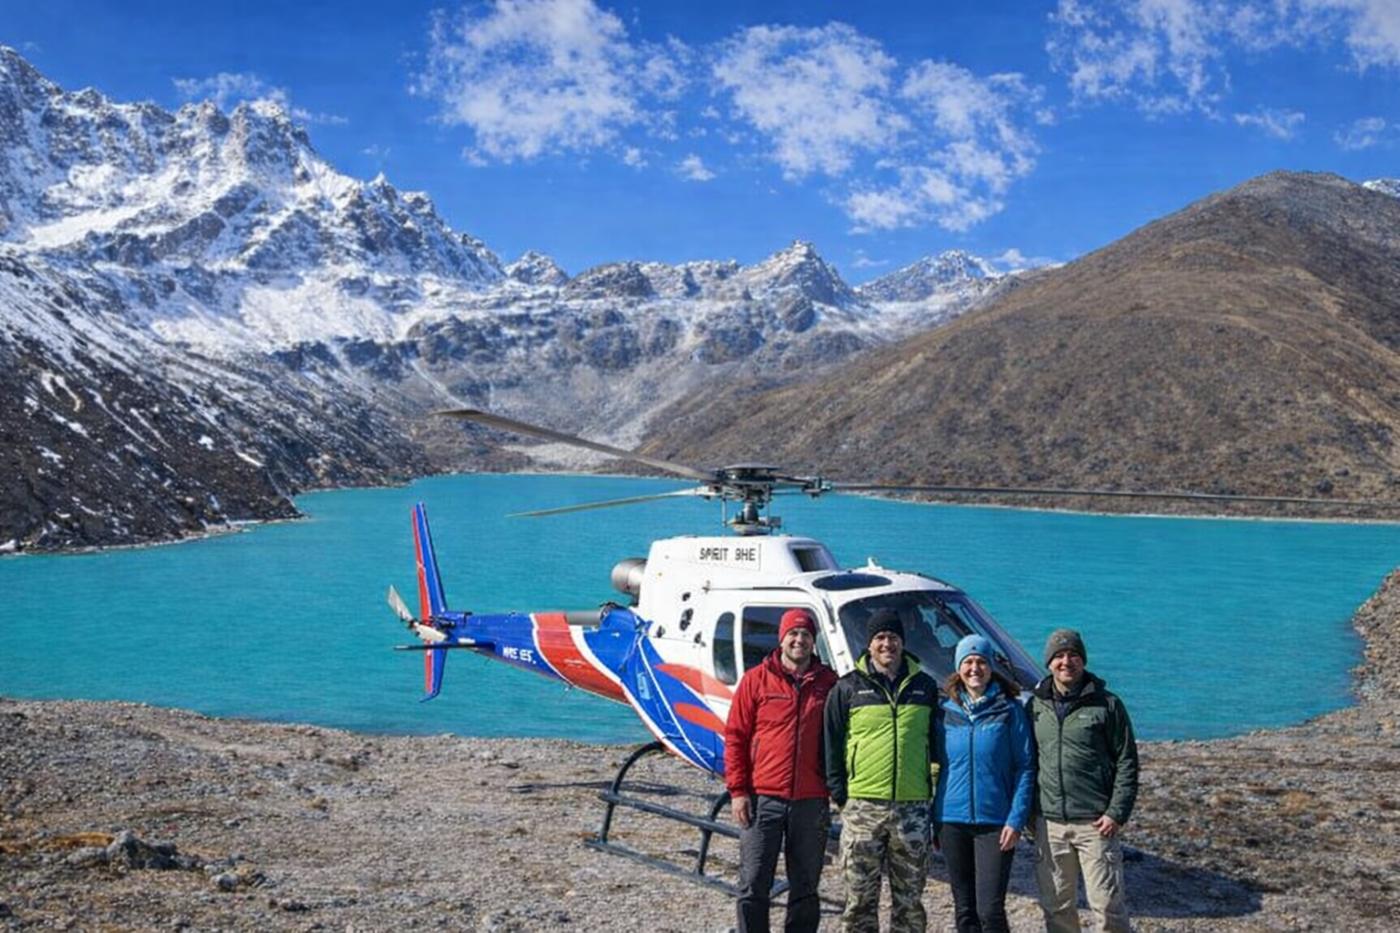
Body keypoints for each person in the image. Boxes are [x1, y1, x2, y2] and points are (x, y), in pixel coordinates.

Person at [824, 609, 940, 933]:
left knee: (910, 901)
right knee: (860, 899)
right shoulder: (847, 688)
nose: (886, 644)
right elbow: (830, 743)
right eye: (880, 638)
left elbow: (936, 743)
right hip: (862, 808)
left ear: (902, 642)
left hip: (913, 808)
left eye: (893, 637)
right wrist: (840, 794)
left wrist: (930, 788)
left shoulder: (925, 686)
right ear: (869, 643)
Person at [724, 607, 839, 933]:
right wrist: (738, 791)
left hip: (811, 798)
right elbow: (735, 737)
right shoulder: (755, 680)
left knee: (805, 885)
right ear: (782, 638)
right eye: (793, 634)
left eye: (805, 634)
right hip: (763, 798)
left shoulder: (828, 684)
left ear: (813, 641)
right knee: (753, 882)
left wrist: (836, 788)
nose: (799, 640)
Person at [1030, 629, 1139, 933]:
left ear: (1083, 660)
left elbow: (1127, 761)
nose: (1066, 662)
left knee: (1107, 907)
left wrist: (1117, 812)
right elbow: (1027, 762)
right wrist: (1029, 814)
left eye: (1073, 655)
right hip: (1049, 824)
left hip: (1095, 823)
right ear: (1049, 663)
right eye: (1059, 656)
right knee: (1056, 908)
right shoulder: (1035, 706)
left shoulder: (1108, 705)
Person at [932, 634, 1035, 933]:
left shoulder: (1010, 710)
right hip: (951, 821)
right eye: (968, 662)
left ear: (991, 667)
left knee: (989, 909)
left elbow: (1025, 767)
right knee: (965, 910)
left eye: (981, 662)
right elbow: (934, 766)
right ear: (958, 668)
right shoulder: (944, 712)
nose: (974, 668)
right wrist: (932, 818)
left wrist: (1016, 819)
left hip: (996, 822)